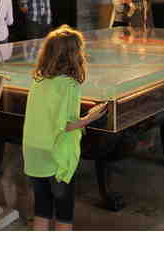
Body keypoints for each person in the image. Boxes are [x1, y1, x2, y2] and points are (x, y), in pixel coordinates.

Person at [22, 25, 107, 230]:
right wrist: (91, 117)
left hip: (34, 152)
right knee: (64, 212)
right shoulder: (69, 85)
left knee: (42, 208)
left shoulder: (38, 80)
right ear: (73, 54)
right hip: (57, 155)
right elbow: (66, 125)